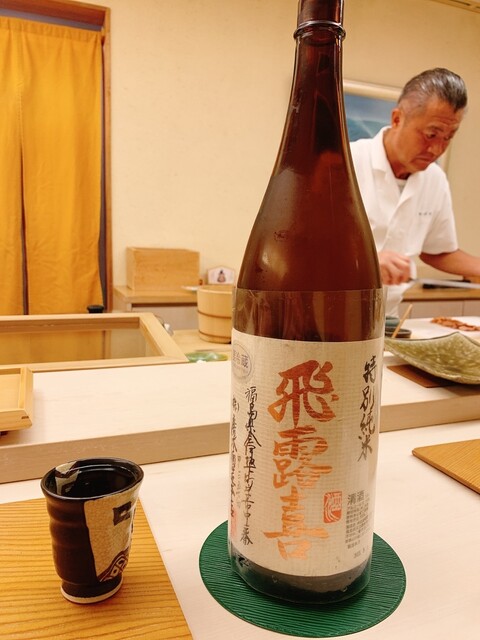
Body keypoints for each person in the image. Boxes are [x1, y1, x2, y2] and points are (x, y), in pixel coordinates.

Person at [350, 67, 480, 316]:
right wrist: (367, 260)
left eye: (448, 137)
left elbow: (438, 250)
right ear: (397, 119)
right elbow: (302, 244)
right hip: (328, 313)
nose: (437, 149)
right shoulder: (345, 162)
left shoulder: (435, 180)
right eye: (431, 134)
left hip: (386, 316)